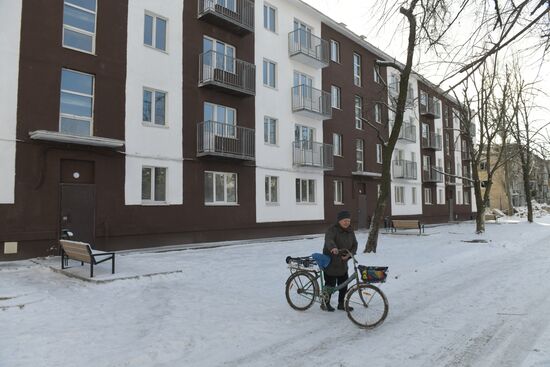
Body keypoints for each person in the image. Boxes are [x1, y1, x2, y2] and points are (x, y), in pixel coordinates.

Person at [321, 210, 358, 312]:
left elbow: (355, 244)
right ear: (339, 221)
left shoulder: (350, 230)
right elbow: (329, 239)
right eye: (345, 220)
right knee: (330, 285)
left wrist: (350, 255)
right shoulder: (333, 229)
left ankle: (341, 304)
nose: (347, 222)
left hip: (342, 262)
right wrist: (333, 248)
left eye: (348, 220)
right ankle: (325, 303)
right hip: (331, 262)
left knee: (344, 284)